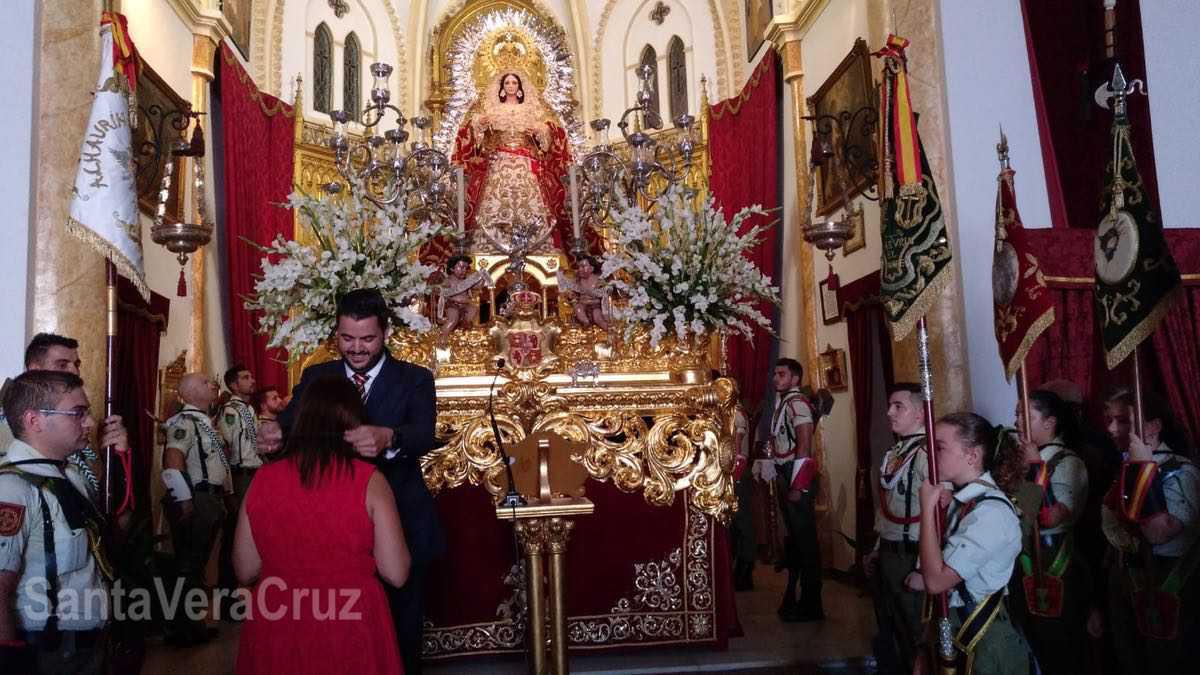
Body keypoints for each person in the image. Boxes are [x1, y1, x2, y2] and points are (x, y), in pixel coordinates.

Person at [271, 288, 441, 675]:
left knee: (401, 631)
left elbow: (424, 433)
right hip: (333, 529)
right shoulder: (317, 376)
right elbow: (290, 425)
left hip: (402, 522)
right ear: (336, 333)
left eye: (367, 339)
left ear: (386, 335)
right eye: (347, 338)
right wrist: (273, 436)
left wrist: (390, 438)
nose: (357, 348)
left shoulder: (414, 379)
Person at [234, 375, 410, 674]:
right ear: (353, 422)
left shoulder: (263, 480)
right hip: (351, 619)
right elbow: (396, 573)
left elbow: (245, 568)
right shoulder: (369, 480)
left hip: (279, 615)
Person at [0, 370, 113, 673]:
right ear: (34, 420)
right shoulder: (13, 489)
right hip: (49, 650)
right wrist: (9, 657)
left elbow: (105, 543)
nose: (89, 422)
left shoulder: (71, 477)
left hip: (87, 642)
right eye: (78, 413)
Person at [905, 412, 1034, 674]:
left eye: (939, 448)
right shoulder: (962, 502)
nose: (931, 455)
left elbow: (937, 581)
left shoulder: (991, 513)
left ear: (972, 456)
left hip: (984, 641)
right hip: (953, 632)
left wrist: (926, 509)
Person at [1099, 390, 1199, 674]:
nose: (1111, 429)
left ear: (1152, 426)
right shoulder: (1121, 468)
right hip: (1126, 582)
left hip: (1168, 585)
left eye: (1122, 421)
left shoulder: (1181, 470)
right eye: (1109, 420)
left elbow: (1158, 532)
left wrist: (1144, 468)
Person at [1011, 390, 1090, 674]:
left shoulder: (1065, 461)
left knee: (1060, 649)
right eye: (1016, 414)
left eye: (1026, 415)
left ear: (1049, 423)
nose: (1018, 421)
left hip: (1056, 562)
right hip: (1025, 562)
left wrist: (1034, 467)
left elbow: (1048, 517)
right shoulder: (1022, 458)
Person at [1, 333, 129, 503]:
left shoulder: (72, 421)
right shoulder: (8, 424)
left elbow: (89, 489)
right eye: (62, 365)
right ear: (35, 370)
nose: (75, 372)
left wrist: (107, 453)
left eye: (76, 364)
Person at [453, 70, 572, 253]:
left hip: (525, 160)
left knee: (532, 200)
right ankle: (491, 246)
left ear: (519, 87)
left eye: (514, 83)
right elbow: (478, 139)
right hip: (500, 161)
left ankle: (535, 246)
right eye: (507, 83)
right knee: (494, 199)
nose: (510, 86)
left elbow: (546, 141)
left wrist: (541, 130)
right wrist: (479, 124)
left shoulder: (530, 110)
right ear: (501, 88)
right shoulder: (493, 110)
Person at [160, 372, 229, 646]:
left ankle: (192, 624)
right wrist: (184, 498)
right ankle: (182, 630)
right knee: (187, 566)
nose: (212, 384)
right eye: (204, 382)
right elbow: (173, 457)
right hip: (195, 499)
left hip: (208, 498)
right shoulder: (185, 422)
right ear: (187, 393)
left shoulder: (203, 422)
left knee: (195, 566)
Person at [865, 383, 928, 675]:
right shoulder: (894, 454)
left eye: (898, 406)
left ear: (919, 413)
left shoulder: (928, 455)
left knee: (917, 631)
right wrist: (877, 549)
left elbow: (937, 515)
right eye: (890, 405)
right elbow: (887, 506)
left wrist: (922, 565)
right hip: (890, 552)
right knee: (892, 627)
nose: (889, 412)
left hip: (912, 554)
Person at [765, 357, 823, 621]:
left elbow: (804, 443)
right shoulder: (785, 403)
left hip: (795, 473)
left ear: (795, 378)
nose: (776, 378)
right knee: (796, 541)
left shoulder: (797, 403)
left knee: (805, 540)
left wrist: (798, 485)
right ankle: (799, 598)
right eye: (775, 374)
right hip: (784, 471)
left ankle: (812, 602)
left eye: (782, 374)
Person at [216, 365, 263, 594]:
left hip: (255, 473)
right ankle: (228, 593)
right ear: (234, 385)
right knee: (235, 533)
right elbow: (224, 447)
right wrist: (229, 488)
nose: (252, 380)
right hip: (239, 475)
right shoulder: (230, 411)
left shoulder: (249, 409)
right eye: (246, 377)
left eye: (252, 376)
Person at [437, 255, 491, 345]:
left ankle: (462, 335)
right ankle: (442, 339)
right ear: (452, 268)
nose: (464, 270)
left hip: (466, 306)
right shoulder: (449, 280)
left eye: (466, 268)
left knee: (473, 311)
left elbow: (477, 287)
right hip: (453, 305)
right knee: (452, 320)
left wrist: (482, 278)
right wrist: (439, 287)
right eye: (461, 267)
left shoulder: (467, 281)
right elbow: (441, 288)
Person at [556, 257, 610, 330]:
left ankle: (611, 334)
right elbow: (567, 284)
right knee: (578, 308)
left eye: (583, 266)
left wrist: (605, 311)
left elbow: (605, 294)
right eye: (579, 267)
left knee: (597, 317)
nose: (580, 269)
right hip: (583, 305)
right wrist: (560, 274)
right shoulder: (578, 281)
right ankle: (586, 324)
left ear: (591, 268)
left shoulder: (599, 280)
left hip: (596, 306)